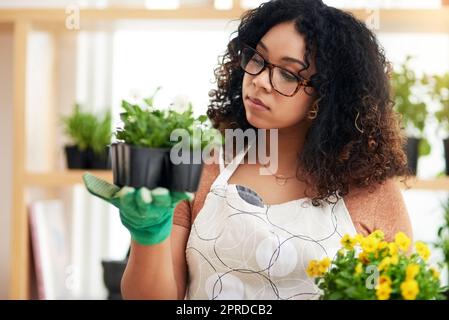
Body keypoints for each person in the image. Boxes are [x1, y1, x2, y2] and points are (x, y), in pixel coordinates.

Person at [84, 0, 412, 300]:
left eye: (287, 73)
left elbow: (391, 290)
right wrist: (148, 235)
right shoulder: (202, 167)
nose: (259, 80)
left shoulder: (372, 193)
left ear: (325, 98)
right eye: (257, 58)